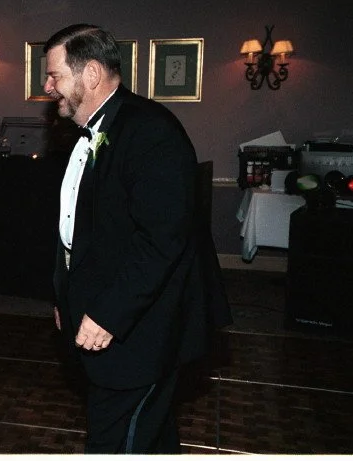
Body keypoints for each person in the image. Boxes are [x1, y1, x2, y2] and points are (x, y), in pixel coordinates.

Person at [43, 24, 231, 454]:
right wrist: (65, 297)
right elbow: (79, 229)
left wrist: (109, 314)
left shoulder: (149, 130)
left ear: (90, 74)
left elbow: (163, 239)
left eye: (54, 75)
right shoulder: (90, 132)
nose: (48, 87)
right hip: (106, 314)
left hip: (141, 328)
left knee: (118, 440)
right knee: (148, 432)